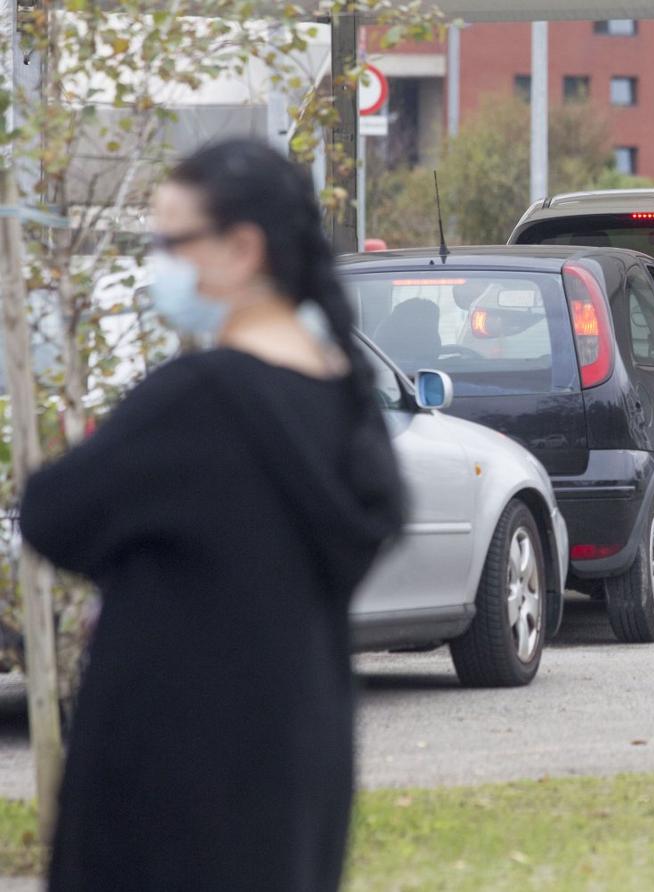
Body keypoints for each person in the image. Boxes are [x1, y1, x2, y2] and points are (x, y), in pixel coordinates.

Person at [19, 139, 404, 891]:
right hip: (296, 754)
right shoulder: (341, 400)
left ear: (242, 248)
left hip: (175, 765)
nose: (158, 263)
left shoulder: (199, 399)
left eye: (171, 241)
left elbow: (52, 512)